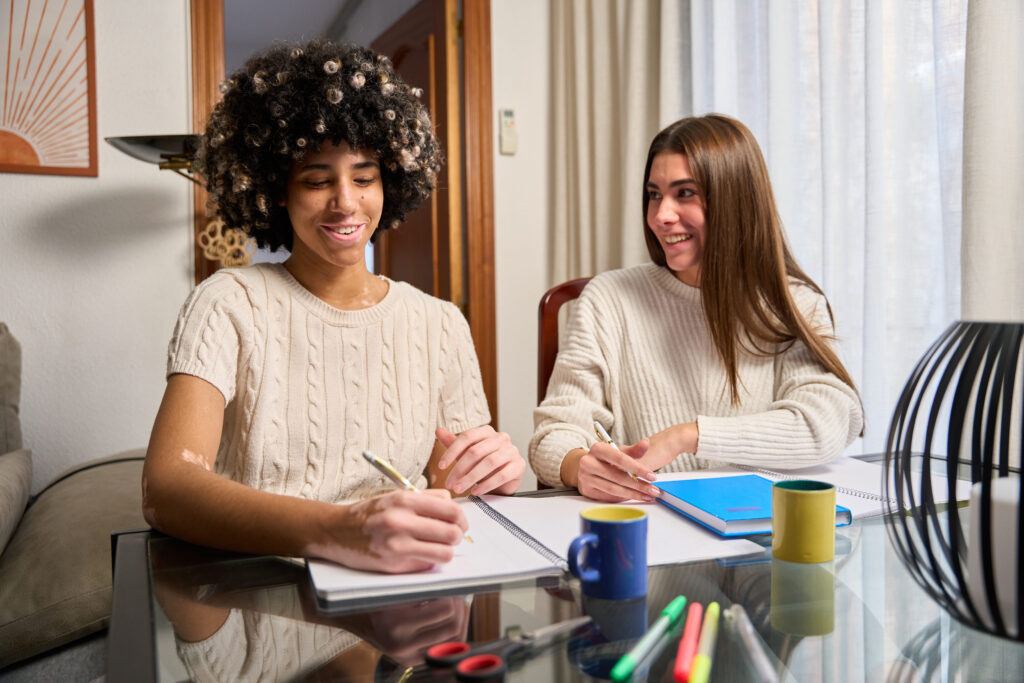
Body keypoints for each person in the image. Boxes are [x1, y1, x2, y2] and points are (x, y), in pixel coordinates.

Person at [143, 40, 524, 574]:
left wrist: (489, 474)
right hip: (261, 601)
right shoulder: (227, 303)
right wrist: (338, 531)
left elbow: (450, 485)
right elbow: (168, 488)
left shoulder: (439, 323)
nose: (345, 201)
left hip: (404, 608)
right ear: (278, 190)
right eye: (318, 180)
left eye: (364, 178)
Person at [529, 114, 864, 502]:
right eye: (654, 194)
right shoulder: (609, 298)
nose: (660, 216)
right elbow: (554, 433)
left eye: (684, 193)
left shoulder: (794, 303)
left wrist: (688, 436)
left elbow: (825, 425)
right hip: (652, 533)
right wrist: (578, 465)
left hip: (761, 535)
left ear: (735, 202)